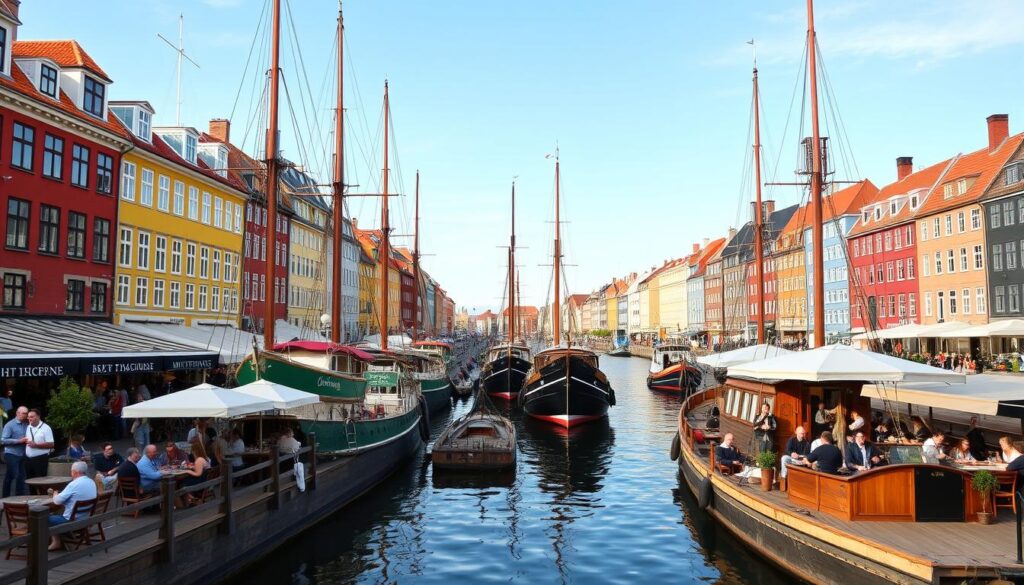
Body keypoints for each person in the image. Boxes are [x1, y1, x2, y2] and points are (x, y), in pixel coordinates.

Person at [45, 461, 97, 550]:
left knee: (44, 518)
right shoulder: (91, 481)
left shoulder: (74, 484)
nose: (71, 473)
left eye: (71, 471)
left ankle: (56, 542)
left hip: (72, 521)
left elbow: (57, 501)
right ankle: (59, 539)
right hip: (86, 518)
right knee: (59, 512)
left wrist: (55, 493)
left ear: (75, 472)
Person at [1, 406, 29, 497]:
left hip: (23, 454)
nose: (26, 415)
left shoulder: (26, 424)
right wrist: (18, 441)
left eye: (26, 413)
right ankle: (6, 498)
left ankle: (18, 498)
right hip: (11, 454)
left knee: (20, 476)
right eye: (24, 413)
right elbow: (3, 440)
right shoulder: (10, 425)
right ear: (17, 413)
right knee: (15, 475)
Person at [180, 437, 211, 507]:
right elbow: (199, 469)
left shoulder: (199, 460)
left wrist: (188, 471)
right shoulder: (203, 458)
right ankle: (190, 500)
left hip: (200, 481)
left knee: (182, 484)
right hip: (204, 479)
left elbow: (198, 473)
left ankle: (193, 500)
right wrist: (192, 467)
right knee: (184, 481)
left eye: (192, 451)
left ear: (195, 451)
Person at [24, 409, 54, 479]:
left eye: (31, 417)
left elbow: (51, 444)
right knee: (30, 481)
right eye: (28, 417)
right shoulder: (29, 427)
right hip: (28, 460)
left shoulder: (46, 428)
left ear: (38, 417)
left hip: (40, 459)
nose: (29, 418)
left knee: (40, 481)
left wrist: (36, 445)